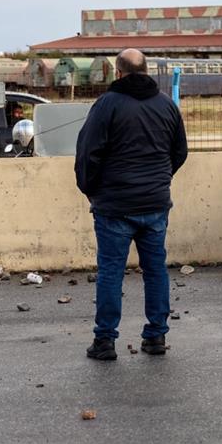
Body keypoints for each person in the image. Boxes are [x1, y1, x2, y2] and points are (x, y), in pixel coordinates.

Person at [74, 48, 188, 361]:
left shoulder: (107, 104)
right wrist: (159, 181)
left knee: (111, 272)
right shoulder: (166, 105)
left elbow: (87, 152)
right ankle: (156, 337)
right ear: (146, 71)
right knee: (155, 270)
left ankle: (105, 341)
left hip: (114, 205)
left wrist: (90, 190)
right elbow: (180, 152)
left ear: (119, 73)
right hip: (154, 203)